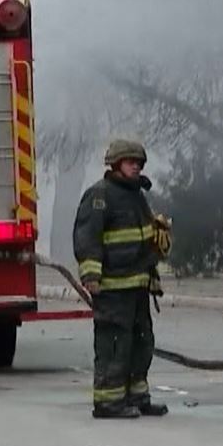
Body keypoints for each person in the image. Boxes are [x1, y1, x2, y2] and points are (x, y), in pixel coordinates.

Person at [74, 139, 167, 419]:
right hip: (113, 287)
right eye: (130, 162)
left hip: (138, 285)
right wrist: (91, 274)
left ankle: (137, 397)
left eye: (139, 162)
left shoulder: (136, 196)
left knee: (142, 342)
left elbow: (141, 237)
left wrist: (160, 237)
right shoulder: (100, 196)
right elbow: (88, 238)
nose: (136, 166)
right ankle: (108, 402)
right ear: (115, 165)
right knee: (115, 344)